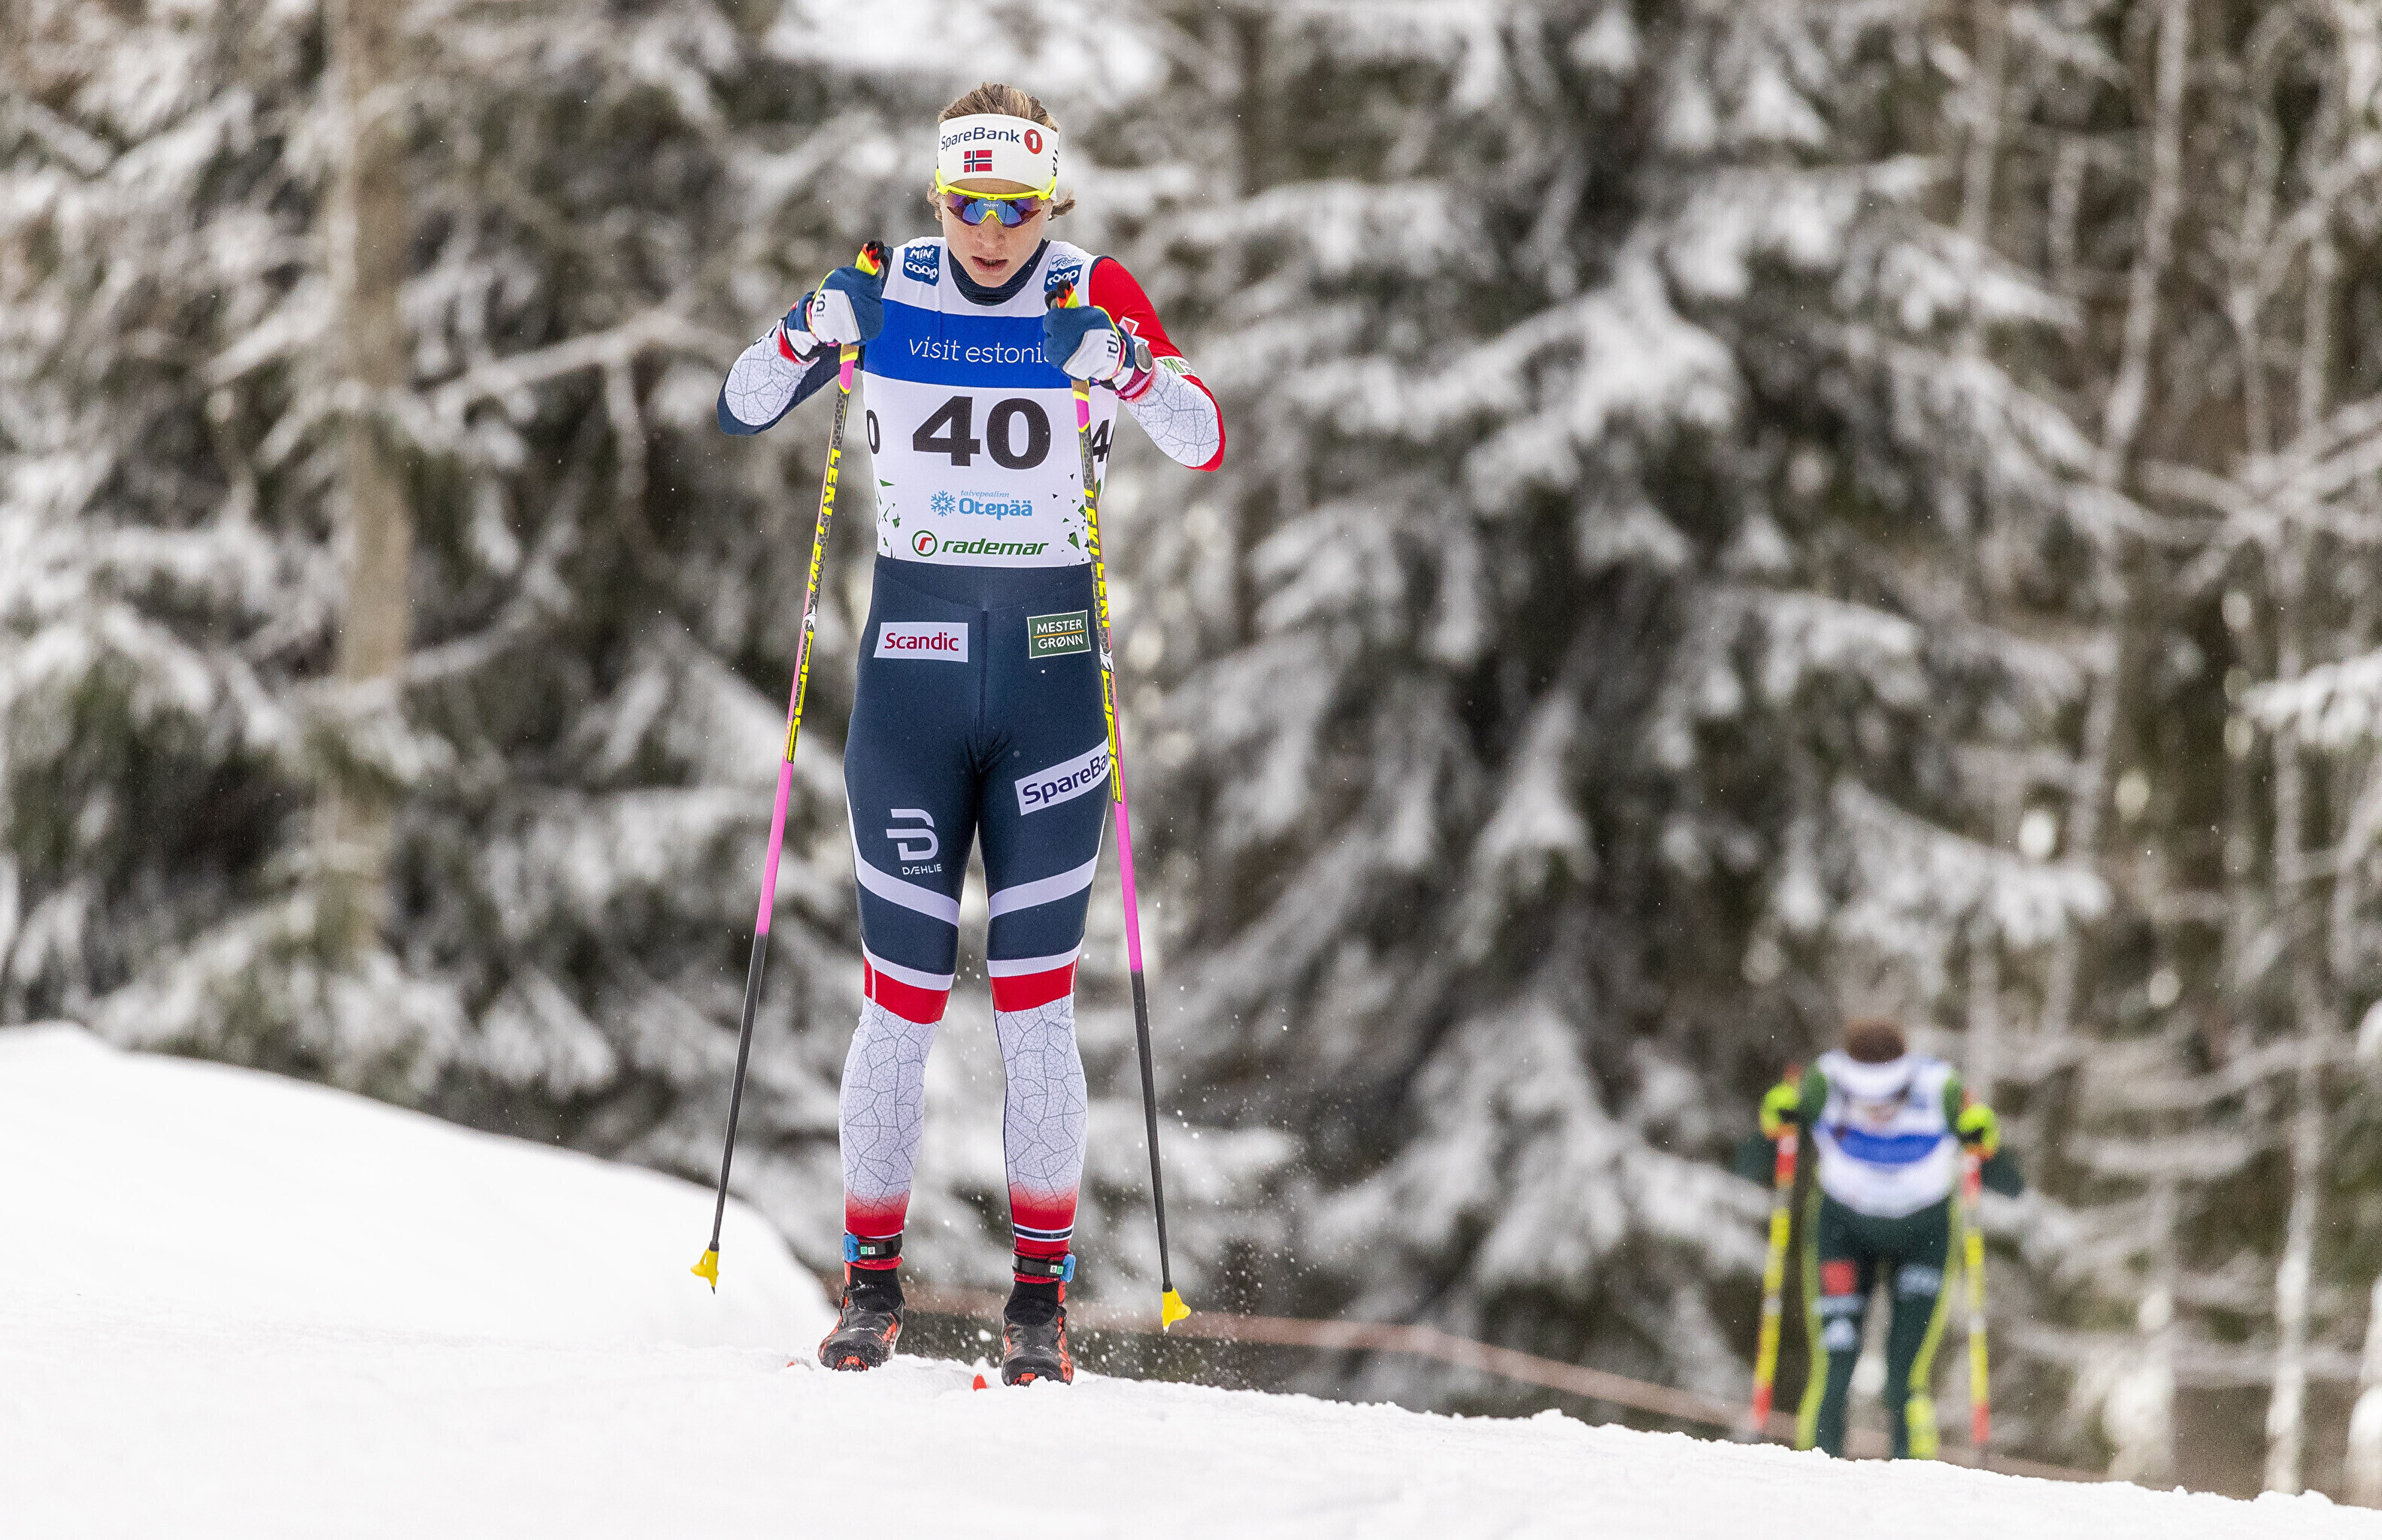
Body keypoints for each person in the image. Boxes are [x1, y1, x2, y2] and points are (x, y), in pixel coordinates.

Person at [717, 83, 1223, 1385]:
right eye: (968, 204)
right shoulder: (885, 284)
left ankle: (1039, 1307)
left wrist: (1131, 365)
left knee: (1034, 1007)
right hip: (912, 689)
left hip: (1052, 690)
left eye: (1015, 206)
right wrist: (809, 325)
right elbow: (740, 400)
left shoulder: (1092, 286)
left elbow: (1203, 438)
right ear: (939, 195)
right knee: (899, 1001)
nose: (992, 232)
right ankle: (869, 1293)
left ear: (1049, 200)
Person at [1756, 1019, 2016, 1457]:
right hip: (1843, 1229)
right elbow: (1773, 1129)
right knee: (1835, 1363)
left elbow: (1991, 1152)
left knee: (1904, 1373)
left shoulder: (1939, 1087)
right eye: (1864, 1098)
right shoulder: (1824, 1082)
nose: (1877, 1110)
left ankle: (1913, 1477)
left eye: (1890, 1097)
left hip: (1923, 1233)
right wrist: (1779, 1111)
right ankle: (1814, 1469)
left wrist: (1981, 1130)